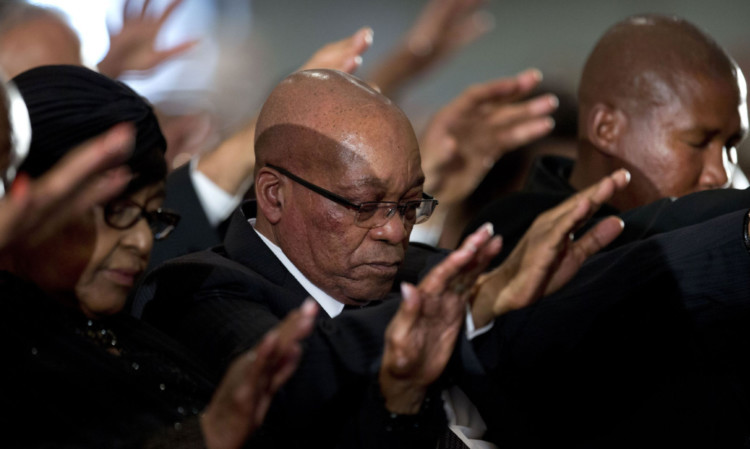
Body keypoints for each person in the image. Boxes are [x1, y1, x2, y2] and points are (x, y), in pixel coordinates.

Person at [135, 68, 629, 447]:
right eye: (364, 205)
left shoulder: (415, 269)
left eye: (411, 205)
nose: (394, 230)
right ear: (274, 195)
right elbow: (299, 379)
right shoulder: (196, 288)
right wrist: (478, 304)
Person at [0, 65, 317, 449]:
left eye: (151, 216)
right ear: (29, 197)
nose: (140, 242)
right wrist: (211, 435)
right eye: (116, 210)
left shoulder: (139, 327)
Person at [463, 14, 749, 264]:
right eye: (698, 142)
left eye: (730, 145)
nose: (721, 173)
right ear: (606, 129)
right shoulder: (508, 235)